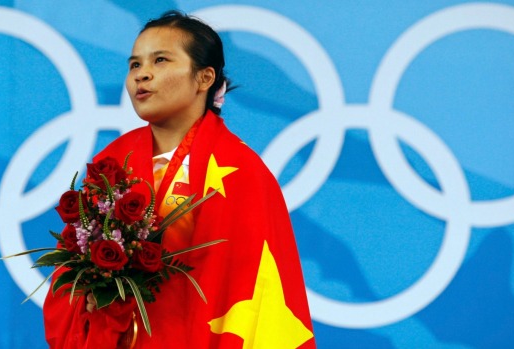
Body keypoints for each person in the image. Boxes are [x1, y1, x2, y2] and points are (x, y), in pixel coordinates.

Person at [43, 10, 316, 349]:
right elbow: (69, 275)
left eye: (160, 61)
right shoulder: (112, 161)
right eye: (134, 65)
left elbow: (254, 298)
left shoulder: (243, 172)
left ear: (204, 78)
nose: (142, 75)